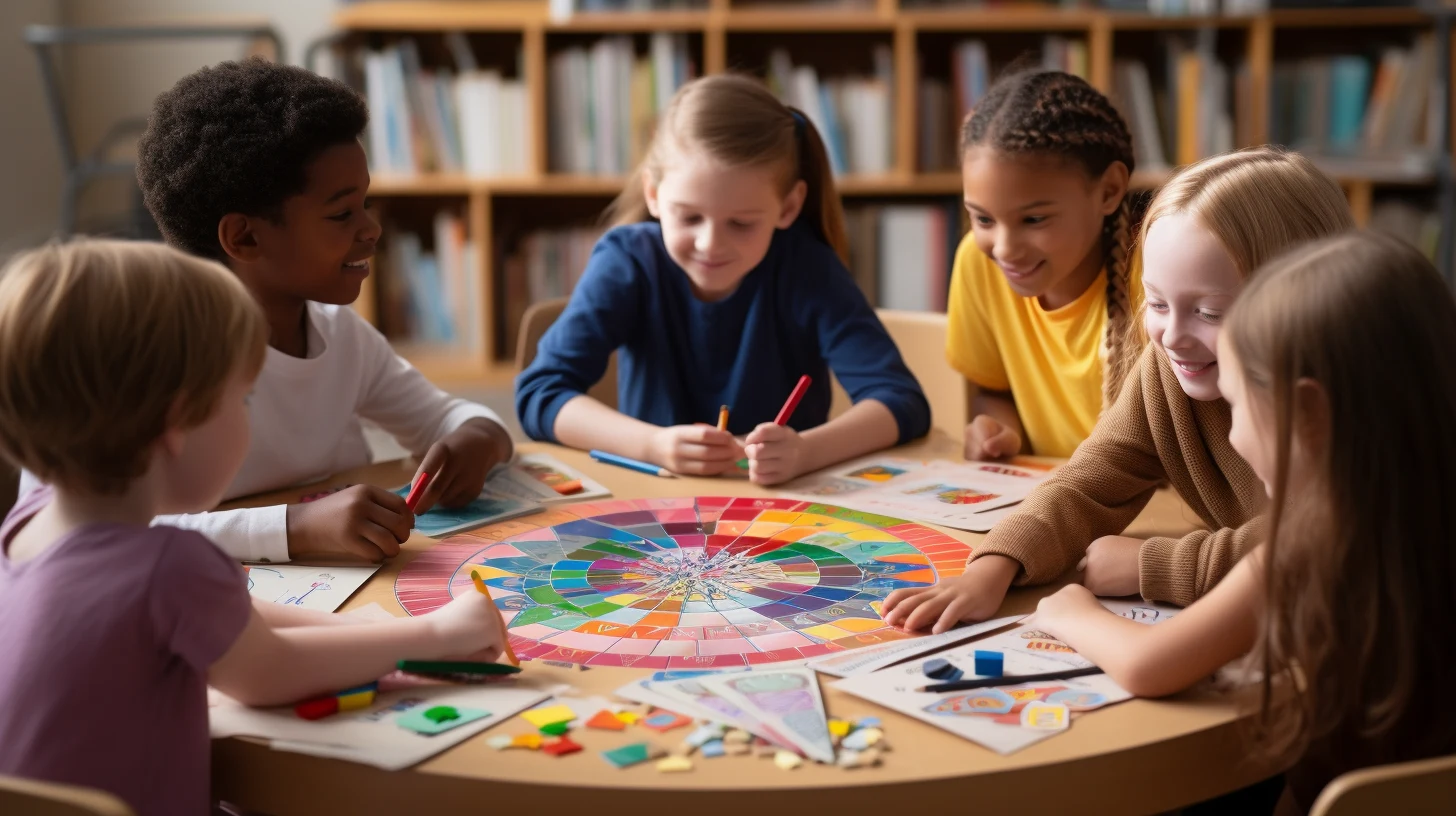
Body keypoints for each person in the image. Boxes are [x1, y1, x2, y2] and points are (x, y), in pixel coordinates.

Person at [0, 240, 504, 816]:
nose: (247, 416)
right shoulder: (168, 566)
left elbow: (240, 620)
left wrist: (356, 626)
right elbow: (269, 672)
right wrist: (436, 637)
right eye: (242, 399)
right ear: (175, 424)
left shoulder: (25, 523)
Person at [1032, 231, 1456, 810]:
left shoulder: (1309, 546)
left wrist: (1069, 611)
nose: (1232, 435)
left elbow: (1149, 665)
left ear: (1309, 415)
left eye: (1239, 407)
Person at [883, 148, 1355, 631]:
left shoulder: (1346, 398)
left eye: (1209, 312)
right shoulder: (1171, 366)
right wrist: (993, 567)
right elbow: (1093, 477)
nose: (1172, 336)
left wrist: (1151, 565)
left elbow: (1320, 547)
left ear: (1301, 301)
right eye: (1156, 302)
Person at [515, 74, 930, 485]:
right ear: (654, 195)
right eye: (690, 217)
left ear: (788, 207)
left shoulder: (808, 268)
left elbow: (901, 402)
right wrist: (652, 445)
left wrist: (805, 452)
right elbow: (541, 394)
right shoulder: (628, 261)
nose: (710, 244)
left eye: (742, 223)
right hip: (650, 504)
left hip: (790, 510)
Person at [949, 69, 1140, 460]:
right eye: (983, 219)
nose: (1003, 249)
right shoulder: (977, 262)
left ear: (1109, 191)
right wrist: (1000, 430)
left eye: (1033, 220)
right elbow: (995, 389)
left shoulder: (1156, 281)